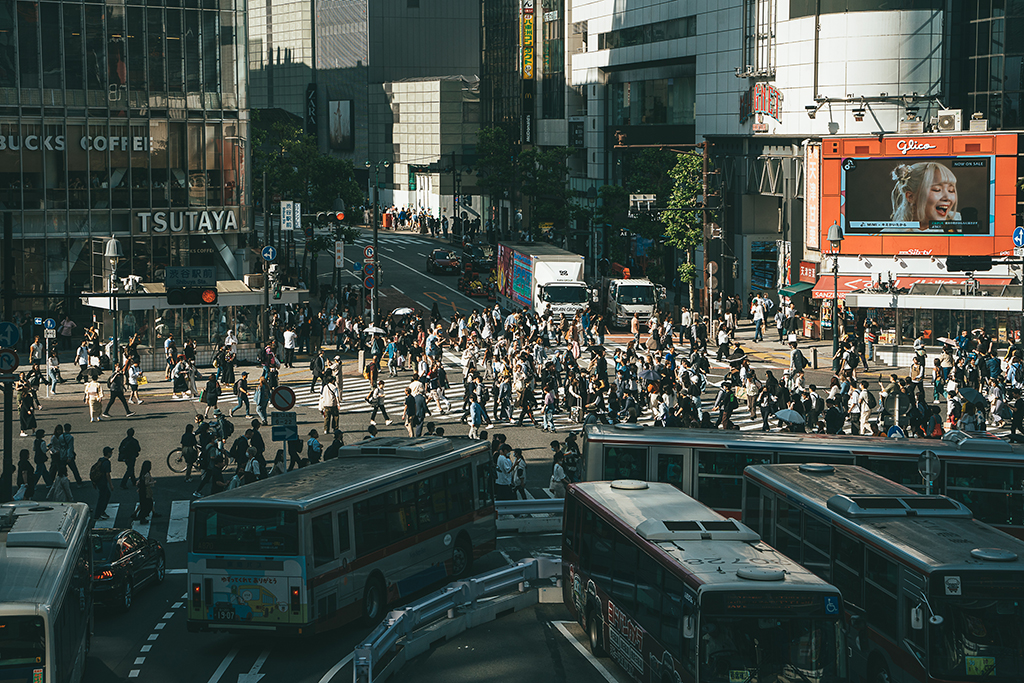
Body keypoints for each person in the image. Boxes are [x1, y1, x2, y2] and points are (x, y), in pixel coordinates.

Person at [890, 161, 961, 231]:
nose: (948, 197)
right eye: (937, 189)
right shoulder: (891, 234)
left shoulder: (959, 222)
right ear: (911, 197)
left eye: (951, 190)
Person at [92, 446, 114, 521]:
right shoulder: (107, 462)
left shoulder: (100, 460)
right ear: (108, 453)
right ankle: (98, 514)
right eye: (111, 452)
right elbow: (107, 474)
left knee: (106, 495)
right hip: (102, 483)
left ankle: (101, 512)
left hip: (98, 482)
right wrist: (111, 485)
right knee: (102, 498)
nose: (112, 453)